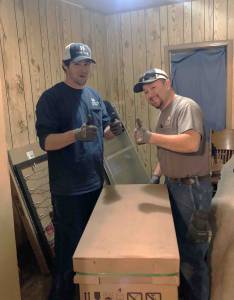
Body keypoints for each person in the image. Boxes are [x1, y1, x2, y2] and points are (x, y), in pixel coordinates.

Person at [35, 42, 123, 300]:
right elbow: (47, 142)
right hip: (68, 190)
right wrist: (76, 134)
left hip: (95, 183)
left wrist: (113, 131)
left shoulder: (94, 96)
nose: (84, 69)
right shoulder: (51, 98)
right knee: (68, 252)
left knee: (93, 246)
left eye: (87, 64)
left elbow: (101, 134)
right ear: (65, 65)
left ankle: (89, 293)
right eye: (77, 64)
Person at [133, 68, 213, 300]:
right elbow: (167, 149)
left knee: (195, 255)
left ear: (167, 83)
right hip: (175, 186)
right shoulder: (162, 113)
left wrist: (150, 137)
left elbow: (190, 143)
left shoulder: (185, 107)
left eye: (153, 88)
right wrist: (155, 176)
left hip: (194, 191)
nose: (150, 95)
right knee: (179, 248)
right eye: (146, 92)